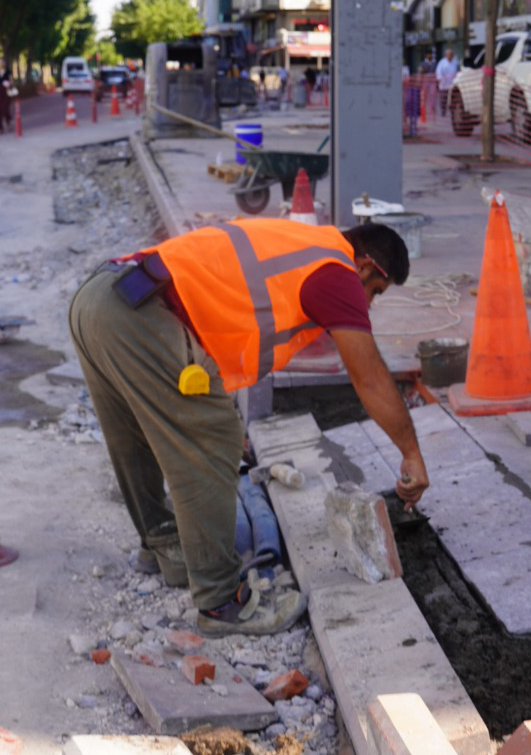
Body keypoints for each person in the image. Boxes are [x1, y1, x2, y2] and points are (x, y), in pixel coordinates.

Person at [68, 220, 429, 636]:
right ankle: (222, 602)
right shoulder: (336, 271)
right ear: (367, 267)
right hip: (137, 313)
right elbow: (369, 377)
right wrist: (411, 452)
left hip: (101, 297)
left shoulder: (305, 244)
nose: (367, 305)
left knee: (134, 431)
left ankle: (165, 545)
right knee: (214, 437)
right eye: (376, 294)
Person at [435, 47, 458, 113]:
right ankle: (443, 110)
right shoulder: (442, 62)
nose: (451, 55)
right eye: (449, 54)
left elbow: (458, 70)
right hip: (444, 84)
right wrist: (441, 80)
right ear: (446, 55)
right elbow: (438, 72)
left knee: (452, 98)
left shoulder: (455, 61)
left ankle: (452, 109)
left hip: (453, 84)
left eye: (452, 54)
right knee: (443, 99)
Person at [0, 66, 14, 133]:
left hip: (6, 91)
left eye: (1, 62)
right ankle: (0, 127)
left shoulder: (7, 71)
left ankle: (8, 121)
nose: (0, 64)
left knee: (5, 108)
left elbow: (11, 80)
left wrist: (9, 83)